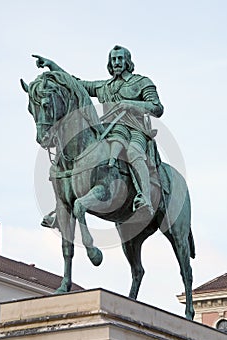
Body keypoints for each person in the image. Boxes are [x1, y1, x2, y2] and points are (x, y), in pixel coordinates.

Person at [33, 45, 164, 216]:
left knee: (133, 152)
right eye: (113, 59)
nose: (117, 62)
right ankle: (63, 207)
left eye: (120, 59)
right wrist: (52, 65)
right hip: (110, 130)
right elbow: (75, 83)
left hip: (136, 131)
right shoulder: (104, 86)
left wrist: (130, 104)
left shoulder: (141, 82)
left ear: (127, 61)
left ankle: (145, 197)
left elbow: (157, 108)